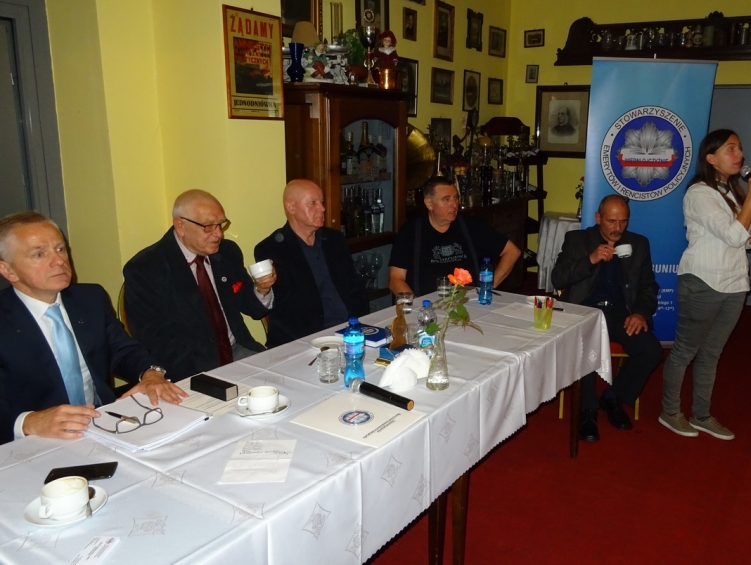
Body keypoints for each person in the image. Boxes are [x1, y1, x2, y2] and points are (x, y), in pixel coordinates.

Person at [0, 212, 187, 444]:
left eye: (60, 249)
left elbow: (123, 350)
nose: (59, 261)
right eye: (39, 254)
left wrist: (151, 373)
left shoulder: (89, 298)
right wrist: (27, 422)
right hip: (34, 441)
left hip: (102, 424)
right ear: (8, 270)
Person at [658, 129, 751, 441]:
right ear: (711, 158)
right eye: (731, 149)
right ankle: (670, 411)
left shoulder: (730, 192)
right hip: (703, 282)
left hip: (734, 283)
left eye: (740, 148)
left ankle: (702, 415)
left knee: (712, 353)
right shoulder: (700, 194)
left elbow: (744, 242)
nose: (740, 155)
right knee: (685, 351)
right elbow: (734, 235)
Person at [123, 190, 275, 382]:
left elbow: (252, 308)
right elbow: (156, 342)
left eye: (221, 224)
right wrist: (205, 381)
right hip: (188, 368)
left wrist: (262, 289)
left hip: (238, 351)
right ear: (180, 225)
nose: (219, 234)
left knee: (290, 381)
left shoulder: (227, 253)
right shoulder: (146, 268)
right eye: (208, 227)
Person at [551, 195, 662, 441]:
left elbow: (648, 286)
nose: (618, 228)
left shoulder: (638, 244)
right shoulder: (577, 240)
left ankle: (614, 397)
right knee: (586, 344)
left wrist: (640, 313)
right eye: (611, 221)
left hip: (619, 313)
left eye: (623, 221)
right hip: (583, 310)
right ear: (598, 218)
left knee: (651, 350)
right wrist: (590, 260)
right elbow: (557, 279)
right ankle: (587, 410)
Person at [255, 180, 368, 348]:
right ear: (291, 207)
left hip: (349, 330)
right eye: (313, 203)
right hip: (303, 340)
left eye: (321, 202)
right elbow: (285, 309)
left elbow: (355, 286)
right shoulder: (271, 249)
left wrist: (359, 324)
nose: (322, 208)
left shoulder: (334, 239)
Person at [389, 176, 521, 296]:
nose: (454, 205)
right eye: (446, 199)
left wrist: (487, 287)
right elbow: (395, 279)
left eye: (456, 198)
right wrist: (415, 306)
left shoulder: (471, 226)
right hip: (427, 305)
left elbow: (512, 252)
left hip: (468, 304)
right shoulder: (411, 231)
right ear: (429, 203)